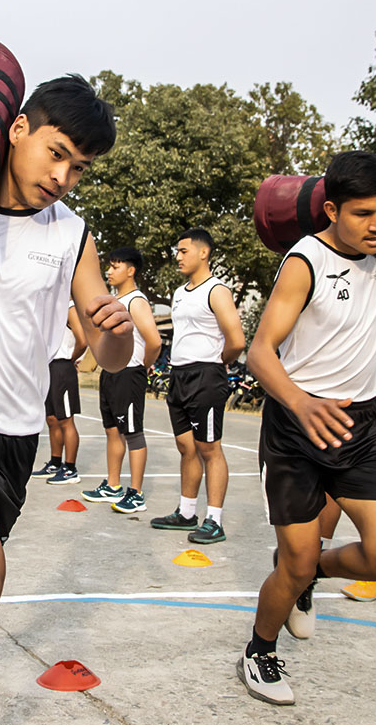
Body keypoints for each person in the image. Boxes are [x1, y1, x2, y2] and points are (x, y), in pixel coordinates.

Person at [0, 75, 133, 724]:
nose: (64, 174)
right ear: (18, 130)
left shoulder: (71, 234)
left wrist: (115, 334)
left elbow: (106, 349)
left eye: (80, 166)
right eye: (56, 152)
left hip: (13, 439)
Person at [237, 150, 376, 705]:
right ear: (332, 209)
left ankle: (311, 571)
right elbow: (259, 353)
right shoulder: (305, 260)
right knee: (290, 561)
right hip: (297, 426)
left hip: (358, 428)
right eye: (364, 214)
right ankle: (260, 650)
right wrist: (300, 403)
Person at [286, 312, 376, 638]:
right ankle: (306, 570)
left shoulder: (371, 270)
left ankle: (308, 571)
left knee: (329, 481)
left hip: (326, 395)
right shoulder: (366, 269)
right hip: (335, 397)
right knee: (331, 482)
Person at [150, 228, 245, 543]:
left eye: (183, 251)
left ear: (203, 253)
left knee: (209, 448)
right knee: (185, 447)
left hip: (206, 375)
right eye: (176, 251)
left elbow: (236, 340)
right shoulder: (179, 293)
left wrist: (218, 361)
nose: (177, 256)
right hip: (179, 375)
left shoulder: (217, 290)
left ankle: (214, 520)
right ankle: (186, 512)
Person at [81, 247, 161, 513]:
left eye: (115, 267)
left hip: (130, 373)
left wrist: (144, 366)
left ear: (131, 270)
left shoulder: (136, 301)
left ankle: (136, 493)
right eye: (109, 266)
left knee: (133, 433)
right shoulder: (115, 301)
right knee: (112, 431)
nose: (109, 271)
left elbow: (154, 341)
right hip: (111, 374)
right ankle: (112, 486)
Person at [32, 301, 87, 484]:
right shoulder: (48, 304)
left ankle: (70, 468)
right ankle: (55, 463)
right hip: (48, 366)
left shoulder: (69, 305)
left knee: (66, 420)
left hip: (63, 366)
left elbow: (82, 339)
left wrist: (71, 359)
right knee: (52, 419)